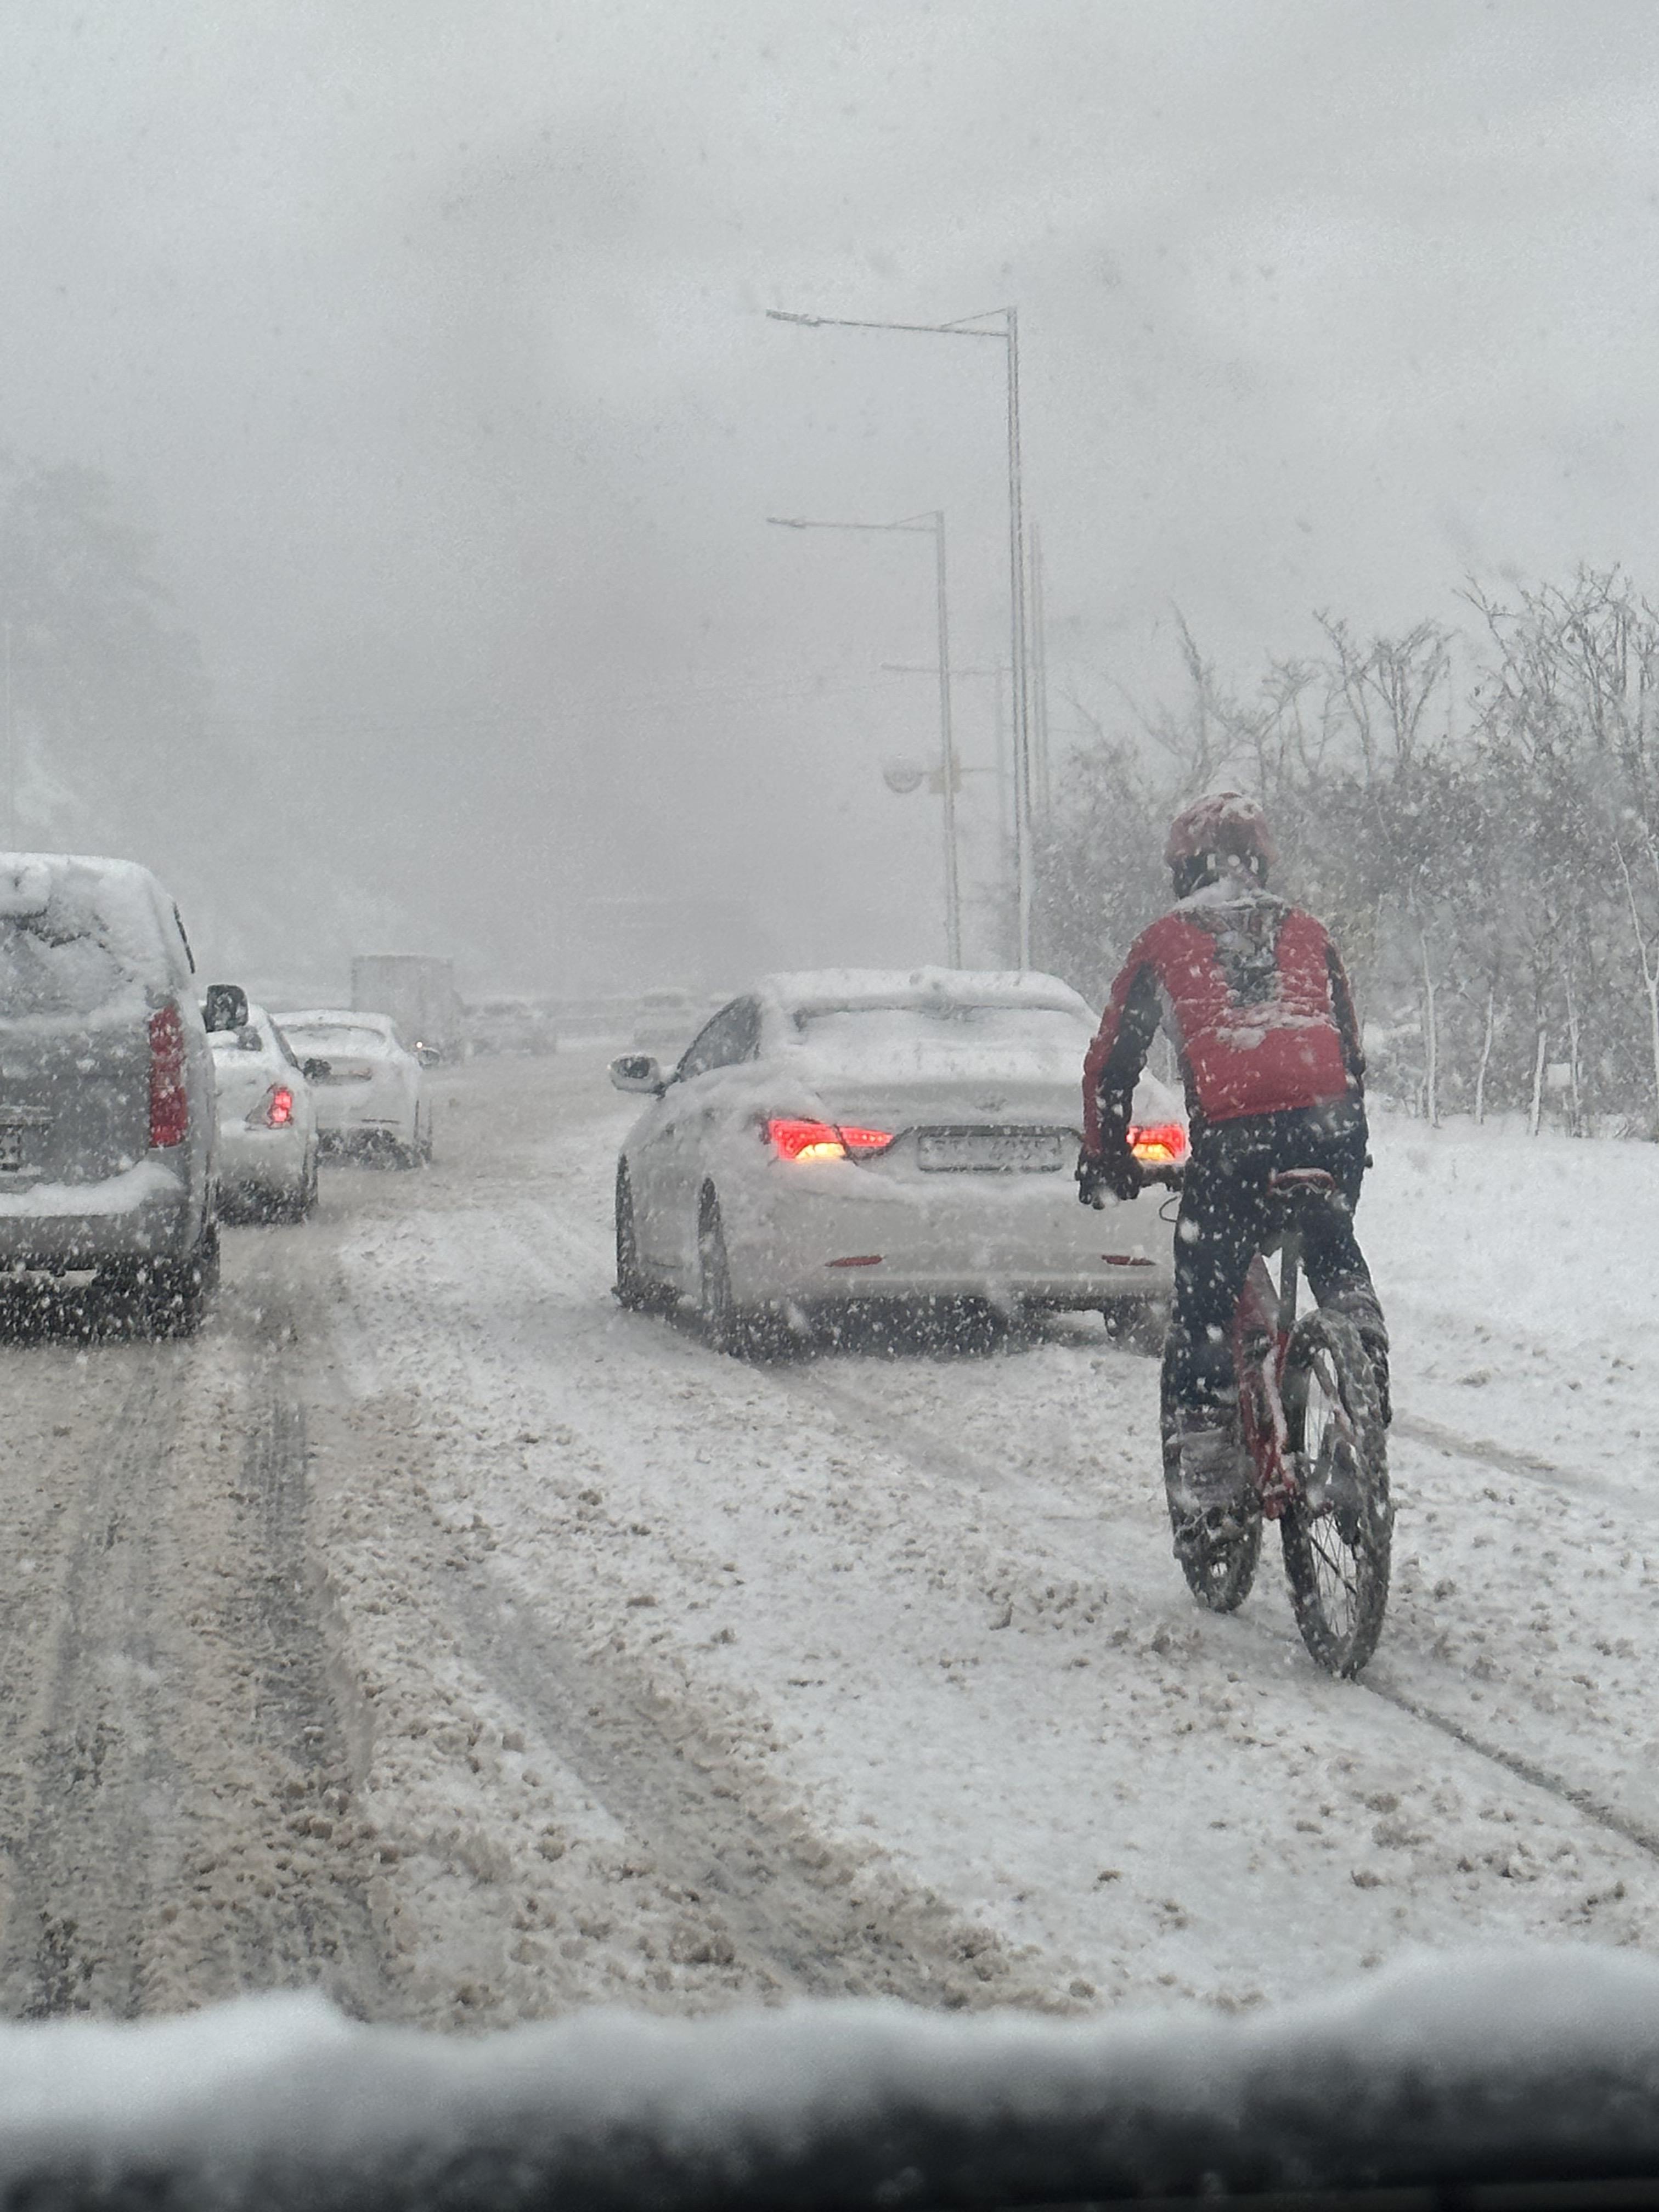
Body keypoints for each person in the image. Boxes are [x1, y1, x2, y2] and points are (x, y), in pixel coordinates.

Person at [1077, 791, 1387, 1558]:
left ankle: (1212, 1486)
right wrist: (1345, 1155)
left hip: (1236, 1142)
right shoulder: (1311, 931)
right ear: (1263, 862)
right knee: (1331, 1242)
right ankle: (1363, 1376)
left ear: (1184, 870)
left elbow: (1113, 1062)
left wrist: (1107, 1154)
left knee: (1204, 1305)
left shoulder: (1167, 940)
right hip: (1330, 1126)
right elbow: (1349, 1048)